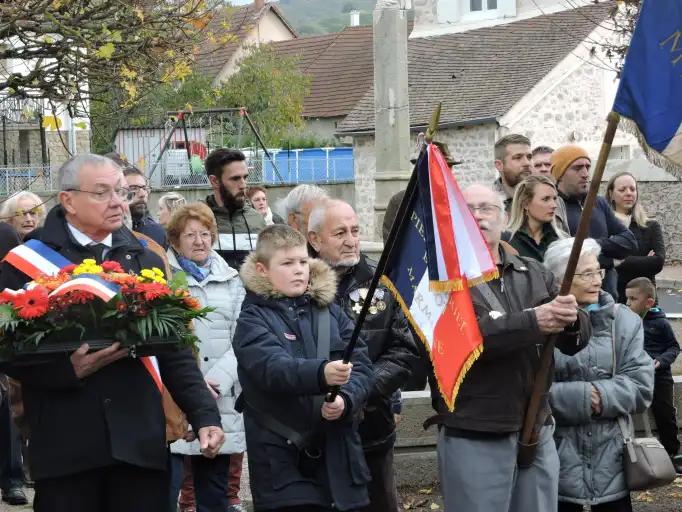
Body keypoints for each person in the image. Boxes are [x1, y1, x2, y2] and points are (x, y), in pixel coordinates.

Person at [0, 154, 224, 511]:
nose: (119, 202)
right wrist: (66, 370)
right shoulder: (25, 263)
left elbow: (174, 347)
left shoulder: (146, 258)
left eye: (120, 191)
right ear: (68, 200)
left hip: (139, 448)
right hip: (65, 448)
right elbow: (7, 351)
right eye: (103, 192)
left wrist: (204, 415)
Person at [429, 183, 588, 512]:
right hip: (476, 429)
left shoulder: (533, 272)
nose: (477, 216)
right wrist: (533, 322)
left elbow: (577, 338)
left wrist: (571, 320)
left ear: (503, 218)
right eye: (467, 210)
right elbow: (465, 340)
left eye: (486, 208)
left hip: (536, 429)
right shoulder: (439, 281)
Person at [233, 225, 374, 511]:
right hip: (283, 466)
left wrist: (345, 400)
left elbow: (362, 367)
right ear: (262, 270)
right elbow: (272, 368)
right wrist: (321, 373)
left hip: (339, 461)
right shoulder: (252, 319)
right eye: (286, 263)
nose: (298, 270)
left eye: (302, 262)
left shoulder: (331, 311)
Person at [308, 200, 418, 512]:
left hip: (370, 428)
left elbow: (404, 351)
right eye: (339, 233)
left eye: (355, 231)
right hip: (313, 432)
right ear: (314, 239)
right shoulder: (295, 282)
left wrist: (358, 391)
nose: (351, 240)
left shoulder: (382, 282)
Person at [545, 238, 654, 512]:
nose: (597, 280)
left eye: (598, 271)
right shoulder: (543, 323)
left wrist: (597, 397)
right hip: (556, 468)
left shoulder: (624, 321)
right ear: (561, 280)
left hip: (614, 467)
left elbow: (641, 387)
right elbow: (530, 393)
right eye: (587, 274)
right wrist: (587, 397)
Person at [165, 203, 246, 512]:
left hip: (221, 397)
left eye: (205, 234)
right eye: (190, 235)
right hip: (177, 398)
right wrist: (192, 388)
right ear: (174, 241)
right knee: (169, 490)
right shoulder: (164, 278)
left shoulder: (233, 279)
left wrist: (215, 382)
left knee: (214, 495)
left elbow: (243, 338)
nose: (199, 241)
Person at [551, 145, 638, 301]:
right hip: (573, 300)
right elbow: (563, 258)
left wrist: (592, 245)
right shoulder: (554, 207)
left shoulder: (598, 203)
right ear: (560, 173)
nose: (585, 173)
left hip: (608, 297)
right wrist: (609, 260)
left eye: (587, 167)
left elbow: (629, 241)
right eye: (577, 168)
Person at [625, 277, 682, 474]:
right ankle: (628, 456)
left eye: (632, 299)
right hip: (632, 377)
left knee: (665, 415)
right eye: (627, 299)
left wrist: (660, 360)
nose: (628, 303)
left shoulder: (660, 323)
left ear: (648, 303)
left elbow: (674, 347)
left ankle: (672, 455)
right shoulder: (626, 321)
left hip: (659, 377)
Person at [605, 171, 665, 303]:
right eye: (622, 189)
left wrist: (619, 260)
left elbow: (658, 262)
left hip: (645, 302)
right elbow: (603, 261)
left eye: (632, 189)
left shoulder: (651, 226)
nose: (628, 193)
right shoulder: (604, 226)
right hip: (615, 299)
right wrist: (644, 261)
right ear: (611, 194)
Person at [204, 148, 265, 269]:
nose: (243, 185)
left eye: (245, 177)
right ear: (215, 181)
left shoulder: (257, 220)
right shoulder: (198, 219)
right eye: (235, 179)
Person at [108, 154, 167, 248]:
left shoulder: (157, 232)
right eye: (133, 188)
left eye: (144, 188)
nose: (142, 194)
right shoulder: (105, 231)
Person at [506, 175, 565, 261]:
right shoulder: (507, 241)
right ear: (526, 204)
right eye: (546, 199)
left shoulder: (562, 241)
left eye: (554, 199)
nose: (554, 205)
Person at [493, 134, 532, 212]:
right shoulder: (489, 203)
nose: (527, 163)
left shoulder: (548, 197)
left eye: (529, 157)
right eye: (518, 157)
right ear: (499, 165)